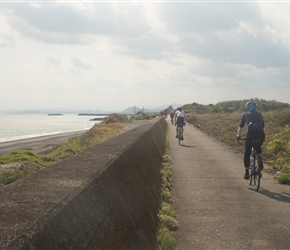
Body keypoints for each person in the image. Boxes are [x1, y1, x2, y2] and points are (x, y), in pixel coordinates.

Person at [236, 101, 265, 180]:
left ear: (247, 108)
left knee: (247, 153)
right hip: (260, 134)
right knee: (258, 145)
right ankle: (259, 158)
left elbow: (241, 127)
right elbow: (263, 127)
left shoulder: (245, 115)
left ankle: (246, 172)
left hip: (250, 134)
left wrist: (238, 135)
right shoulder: (259, 115)